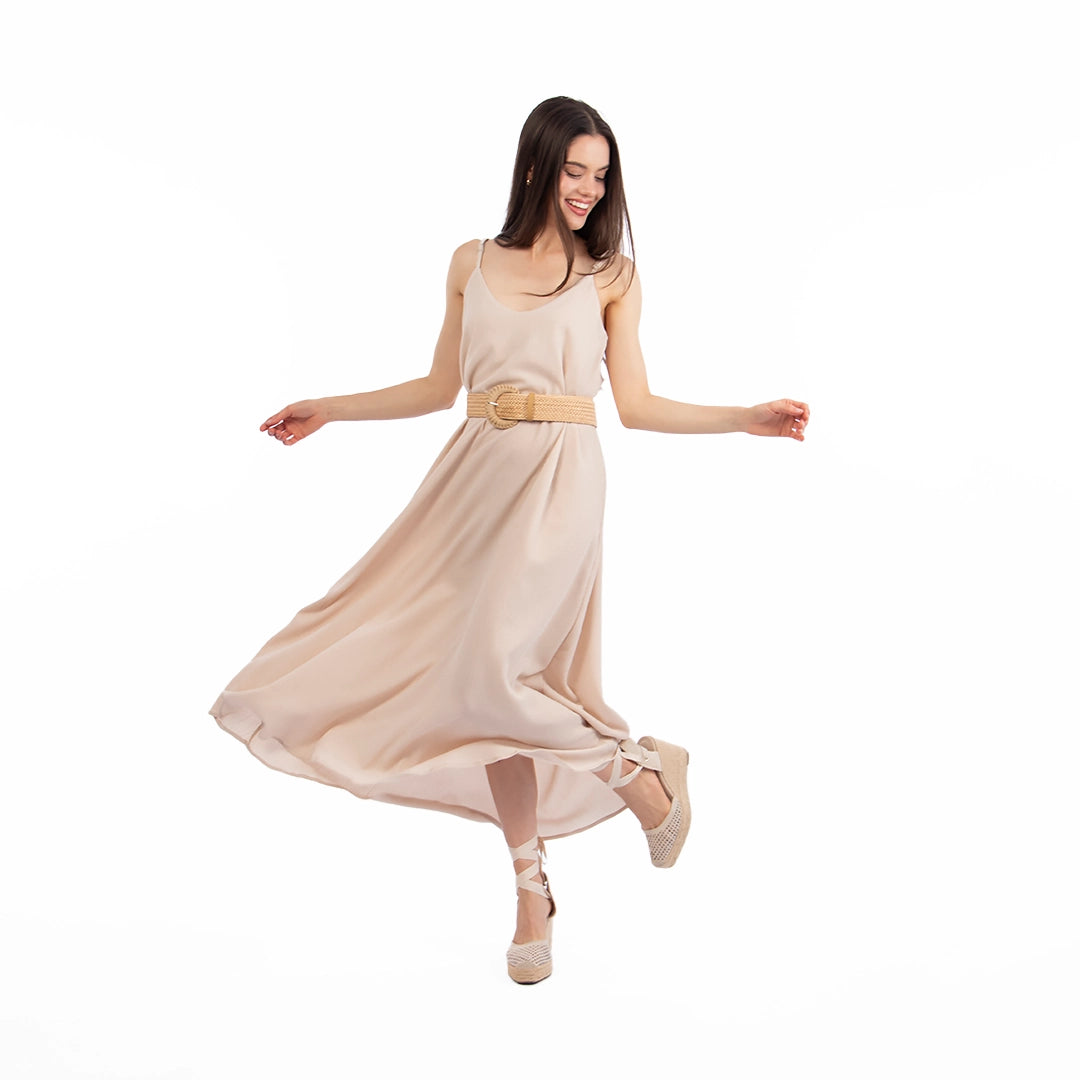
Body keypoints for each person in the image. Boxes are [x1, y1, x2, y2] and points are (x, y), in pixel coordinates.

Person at [209, 96, 809, 985]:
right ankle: (534, 889)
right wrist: (330, 407)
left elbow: (637, 405)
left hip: (562, 477)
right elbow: (437, 386)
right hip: (471, 478)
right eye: (574, 171)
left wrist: (743, 418)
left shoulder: (612, 275)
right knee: (473, 684)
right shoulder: (471, 261)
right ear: (535, 166)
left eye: (600, 176)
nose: (588, 189)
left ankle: (639, 772)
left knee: (498, 673)